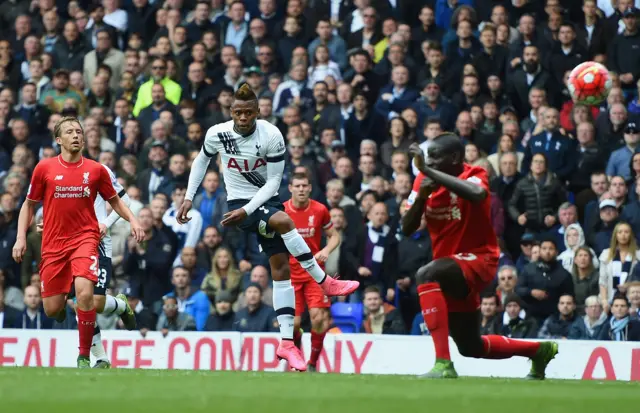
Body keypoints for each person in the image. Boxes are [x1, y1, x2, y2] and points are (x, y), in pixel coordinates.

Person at [176, 84, 359, 371]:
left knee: (280, 269)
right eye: (238, 112)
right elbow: (201, 161)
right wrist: (188, 197)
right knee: (286, 221)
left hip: (262, 202)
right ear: (231, 112)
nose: (243, 117)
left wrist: (248, 210)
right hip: (237, 201)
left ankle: (287, 343)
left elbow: (274, 182)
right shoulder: (217, 133)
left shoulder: (272, 135)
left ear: (258, 112)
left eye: (248, 112)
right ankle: (326, 281)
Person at [403, 135, 557, 379]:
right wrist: (421, 196)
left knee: (425, 274)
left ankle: (443, 364)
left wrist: (428, 171)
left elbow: (476, 194)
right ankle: (539, 350)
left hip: (479, 258)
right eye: (428, 157)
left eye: (435, 157)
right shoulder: (423, 180)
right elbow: (407, 228)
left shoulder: (474, 173)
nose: (429, 161)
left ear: (454, 158)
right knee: (470, 346)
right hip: (450, 266)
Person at [12, 116, 144, 368]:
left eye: (79, 131)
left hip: (88, 239)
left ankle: (87, 356)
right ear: (59, 140)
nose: (76, 135)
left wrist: (133, 221)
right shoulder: (44, 168)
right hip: (53, 244)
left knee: (86, 297)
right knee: (53, 308)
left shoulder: (97, 169)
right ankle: (113, 312)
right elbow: (30, 204)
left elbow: (117, 199)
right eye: (70, 132)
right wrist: (22, 237)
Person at [284, 171, 341, 371]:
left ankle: (312, 364)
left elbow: (334, 236)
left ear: (309, 188)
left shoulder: (319, 210)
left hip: (314, 273)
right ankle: (297, 359)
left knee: (318, 318)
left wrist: (326, 250)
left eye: (304, 186)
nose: (301, 189)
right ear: (290, 188)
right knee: (294, 323)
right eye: (297, 186)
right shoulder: (282, 212)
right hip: (289, 274)